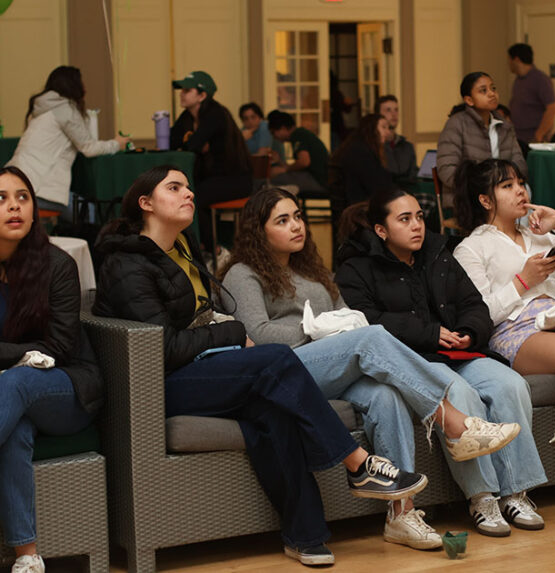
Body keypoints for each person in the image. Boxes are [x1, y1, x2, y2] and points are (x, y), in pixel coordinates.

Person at [92, 165, 429, 567]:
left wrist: (222, 332)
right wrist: (232, 333)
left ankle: (305, 536)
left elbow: (199, 317)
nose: (189, 194)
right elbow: (163, 346)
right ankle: (357, 464)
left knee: (275, 407)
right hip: (161, 381)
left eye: (188, 187)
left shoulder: (181, 248)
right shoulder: (127, 263)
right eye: (174, 187)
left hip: (204, 365)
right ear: (146, 203)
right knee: (276, 360)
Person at [220, 186, 522, 548]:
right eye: (282, 221)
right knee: (369, 338)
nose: (296, 226)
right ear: (259, 230)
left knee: (386, 395)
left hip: (328, 364)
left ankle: (401, 513)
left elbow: (346, 314)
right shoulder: (242, 273)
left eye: (297, 217)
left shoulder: (312, 270)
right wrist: (317, 331)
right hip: (283, 371)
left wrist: (336, 330)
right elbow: (258, 334)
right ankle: (454, 423)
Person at [335, 190, 547, 537]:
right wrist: (432, 334)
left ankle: (515, 493)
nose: (417, 226)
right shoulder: (357, 268)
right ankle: (482, 497)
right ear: (381, 230)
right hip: (414, 359)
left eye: (419, 216)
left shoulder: (439, 253)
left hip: (461, 352)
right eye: (405, 219)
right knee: (460, 394)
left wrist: (467, 331)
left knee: (511, 384)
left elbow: (474, 305)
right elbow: (367, 323)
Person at [452, 158, 555, 508]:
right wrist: (523, 282)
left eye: (521, 182)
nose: (520, 191)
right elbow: (479, 315)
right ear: (486, 200)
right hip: (514, 331)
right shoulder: (471, 248)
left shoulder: (541, 234)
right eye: (507, 185)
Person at [0, 166, 103, 573]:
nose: (14, 206)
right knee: (15, 430)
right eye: (1, 199)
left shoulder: (57, 265)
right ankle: (28, 556)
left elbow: (58, 348)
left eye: (22, 197)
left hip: (67, 387)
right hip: (11, 397)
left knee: (21, 381)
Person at [6, 66, 128, 216]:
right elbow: (88, 148)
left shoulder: (42, 109)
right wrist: (117, 144)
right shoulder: (65, 110)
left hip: (13, 182)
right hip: (37, 189)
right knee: (89, 214)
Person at [170, 71, 252, 249]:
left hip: (235, 180)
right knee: (185, 194)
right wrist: (194, 143)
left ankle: (213, 249)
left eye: (187, 90)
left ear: (202, 95)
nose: (181, 94)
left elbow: (192, 144)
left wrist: (194, 143)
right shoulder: (187, 116)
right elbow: (173, 142)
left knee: (192, 196)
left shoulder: (216, 114)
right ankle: (200, 246)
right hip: (212, 179)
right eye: (181, 90)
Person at [436, 72, 527, 207]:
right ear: (469, 100)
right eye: (483, 91)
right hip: (468, 197)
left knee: (525, 193)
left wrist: (506, 185)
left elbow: (519, 164)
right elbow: (446, 170)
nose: (491, 94)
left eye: (493, 88)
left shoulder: (505, 126)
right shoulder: (456, 124)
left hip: (503, 194)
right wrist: (482, 186)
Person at [328, 113, 395, 230]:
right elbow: (379, 186)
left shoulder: (355, 147)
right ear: (371, 129)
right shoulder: (361, 153)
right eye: (383, 127)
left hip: (349, 208)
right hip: (359, 210)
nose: (387, 132)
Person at [267, 111, 329, 193]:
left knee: (273, 179)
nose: (274, 137)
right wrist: (280, 162)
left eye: (273, 133)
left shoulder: (298, 134)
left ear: (283, 128)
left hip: (318, 180)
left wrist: (284, 169)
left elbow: (304, 162)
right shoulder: (301, 133)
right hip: (319, 178)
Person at [508, 43, 555, 144]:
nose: (508, 63)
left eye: (509, 59)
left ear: (516, 60)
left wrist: (539, 134)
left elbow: (551, 108)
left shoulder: (540, 79)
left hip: (533, 137)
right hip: (518, 135)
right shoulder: (518, 80)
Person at [375, 95, 418, 184]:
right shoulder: (374, 146)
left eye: (396, 110)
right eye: (388, 110)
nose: (394, 114)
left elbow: (413, 175)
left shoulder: (407, 146)